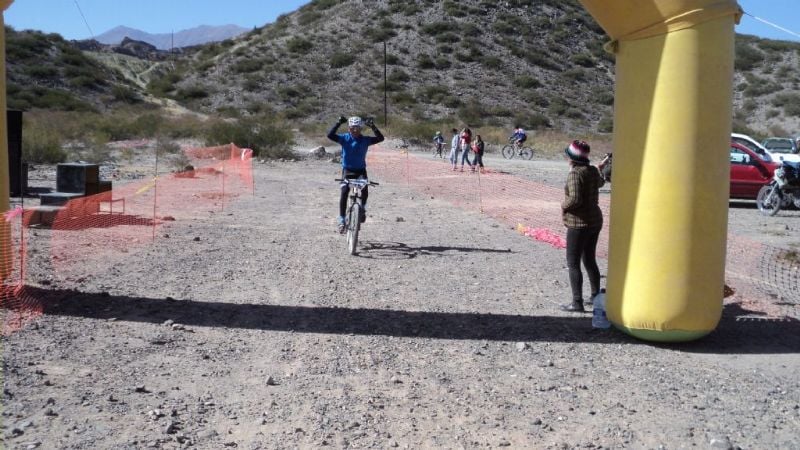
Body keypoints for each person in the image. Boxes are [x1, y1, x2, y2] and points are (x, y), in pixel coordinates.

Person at [560, 140, 605, 312]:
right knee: (589, 259)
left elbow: (575, 199)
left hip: (579, 223)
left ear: (572, 157)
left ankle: (576, 302)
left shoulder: (574, 174)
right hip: (595, 220)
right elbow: (600, 183)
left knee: (573, 263)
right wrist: (599, 168)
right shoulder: (592, 170)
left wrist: (563, 205)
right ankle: (595, 296)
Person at [327, 115, 384, 233]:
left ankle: (362, 209)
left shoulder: (365, 140)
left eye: (357, 128)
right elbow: (330, 135)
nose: (354, 130)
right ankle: (342, 219)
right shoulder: (344, 138)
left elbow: (380, 138)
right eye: (352, 128)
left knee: (365, 189)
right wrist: (338, 123)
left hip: (361, 170)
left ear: (360, 129)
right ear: (348, 128)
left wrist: (373, 126)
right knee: (344, 192)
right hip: (347, 170)